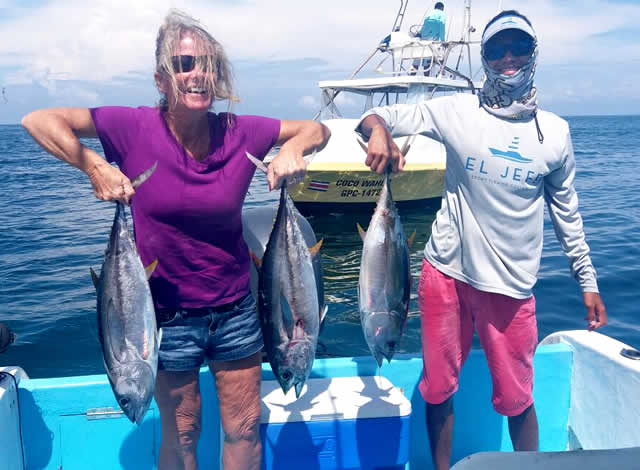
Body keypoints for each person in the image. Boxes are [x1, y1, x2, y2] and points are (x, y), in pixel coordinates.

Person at [21, 9, 330, 470]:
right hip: (162, 314)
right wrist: (94, 165)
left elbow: (317, 130)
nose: (198, 73)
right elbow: (37, 120)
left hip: (237, 309)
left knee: (244, 426)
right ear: (161, 79)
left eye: (207, 64)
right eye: (185, 64)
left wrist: (290, 149)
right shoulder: (130, 127)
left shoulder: (239, 131)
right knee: (182, 432)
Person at [356, 10, 607, 470]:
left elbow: (566, 214)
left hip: (511, 286)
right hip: (445, 274)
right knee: (437, 388)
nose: (508, 59)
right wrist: (378, 133)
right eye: (496, 50)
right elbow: (377, 114)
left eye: (518, 48)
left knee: (517, 398)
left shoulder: (555, 134)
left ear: (534, 54)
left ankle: (530, 465)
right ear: (484, 59)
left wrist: (586, 280)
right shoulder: (456, 110)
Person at [412, 2, 446, 75]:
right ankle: (426, 77)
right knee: (427, 59)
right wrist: (443, 41)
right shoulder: (442, 14)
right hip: (432, 40)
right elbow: (442, 27)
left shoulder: (429, 13)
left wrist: (419, 34)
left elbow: (424, 26)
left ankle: (411, 77)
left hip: (422, 39)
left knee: (417, 59)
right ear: (442, 8)